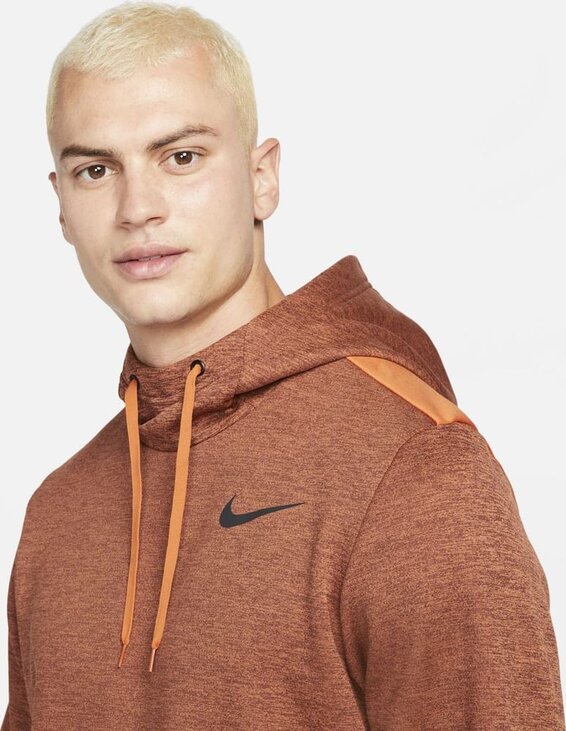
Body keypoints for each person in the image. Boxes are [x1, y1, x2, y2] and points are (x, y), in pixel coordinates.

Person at [2, 2, 564, 729]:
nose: (137, 207)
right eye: (96, 169)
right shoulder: (57, 516)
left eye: (181, 157)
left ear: (262, 177)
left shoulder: (411, 465)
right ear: (60, 206)